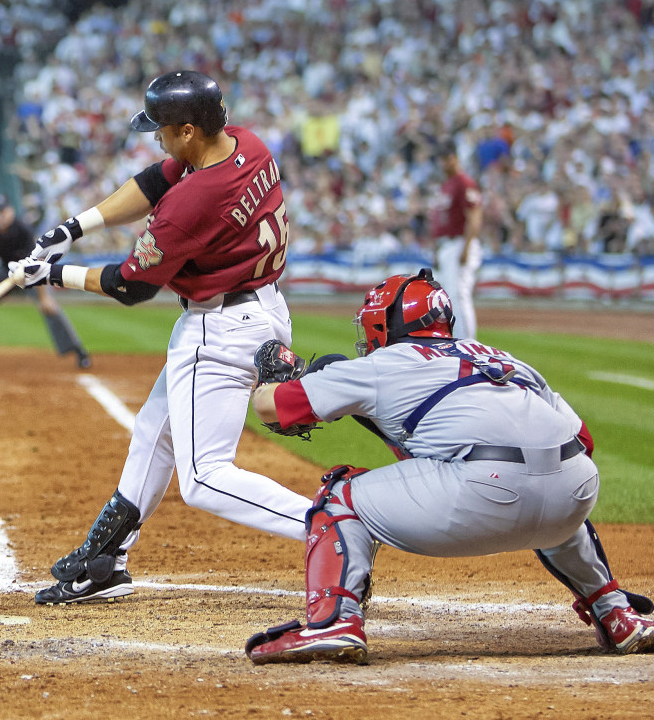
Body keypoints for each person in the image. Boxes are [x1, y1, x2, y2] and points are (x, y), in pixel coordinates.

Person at [9, 70, 313, 604]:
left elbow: (131, 286)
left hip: (219, 328)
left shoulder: (195, 201)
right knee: (156, 428)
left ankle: (328, 525)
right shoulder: (247, 144)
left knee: (204, 477)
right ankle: (108, 560)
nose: (157, 136)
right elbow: (156, 179)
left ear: (190, 129)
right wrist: (72, 230)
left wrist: (52, 275)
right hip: (260, 308)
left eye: (164, 128)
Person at [244, 269, 654, 664]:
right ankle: (615, 612)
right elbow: (584, 441)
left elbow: (272, 408)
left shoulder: (382, 364)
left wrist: (269, 381)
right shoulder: (497, 354)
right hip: (575, 494)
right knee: (550, 471)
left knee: (339, 493)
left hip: (482, 493)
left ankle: (334, 621)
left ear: (385, 325)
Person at [0, 193, 90, 370]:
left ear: (11, 211)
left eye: (4, 211)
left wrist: (44, 297)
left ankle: (79, 351)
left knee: (51, 308)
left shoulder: (22, 229)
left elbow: (39, 262)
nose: (1, 215)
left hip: (31, 273)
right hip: (8, 273)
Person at [431, 143, 482, 339]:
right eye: (442, 159)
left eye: (447, 158)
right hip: (446, 244)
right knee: (448, 296)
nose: (444, 162)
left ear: (455, 157)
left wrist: (467, 247)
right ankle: (455, 339)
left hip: (460, 242)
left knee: (459, 295)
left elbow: (474, 215)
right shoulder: (447, 184)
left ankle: (468, 343)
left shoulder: (463, 182)